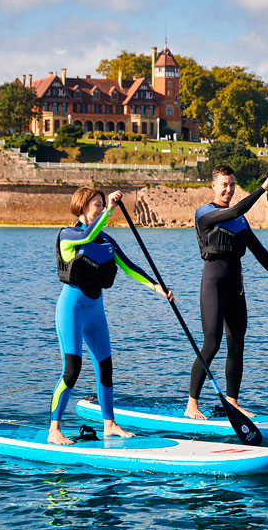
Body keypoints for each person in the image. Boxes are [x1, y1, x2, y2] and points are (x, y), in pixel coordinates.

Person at [49, 187, 173, 445]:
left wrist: (157, 287)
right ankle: (54, 429)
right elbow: (87, 235)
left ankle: (109, 424)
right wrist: (110, 210)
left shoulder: (106, 242)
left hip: (95, 311)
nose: (100, 208)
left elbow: (129, 266)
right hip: (71, 309)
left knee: (105, 368)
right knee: (72, 370)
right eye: (96, 204)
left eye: (101, 204)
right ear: (82, 208)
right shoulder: (68, 235)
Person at [184, 165, 268, 419]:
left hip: (236, 288)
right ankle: (191, 404)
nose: (228, 189)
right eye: (224, 184)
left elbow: (259, 250)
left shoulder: (241, 220)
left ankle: (233, 401)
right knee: (212, 343)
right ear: (213, 186)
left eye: (232, 185)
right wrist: (262, 189)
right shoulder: (204, 213)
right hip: (213, 286)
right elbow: (235, 209)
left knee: (237, 345)